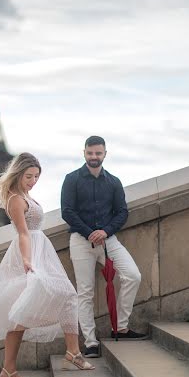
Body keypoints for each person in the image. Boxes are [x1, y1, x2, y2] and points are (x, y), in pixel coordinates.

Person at [0, 152, 95, 377]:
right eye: (29, 176)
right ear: (18, 174)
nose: (33, 181)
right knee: (23, 312)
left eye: (36, 176)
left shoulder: (25, 195)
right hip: (30, 255)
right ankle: (11, 369)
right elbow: (23, 233)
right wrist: (27, 260)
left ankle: (66, 353)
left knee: (56, 299)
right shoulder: (15, 199)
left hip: (41, 253)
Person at [61, 136, 147, 359]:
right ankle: (90, 343)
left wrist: (105, 232)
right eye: (90, 153)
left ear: (105, 154)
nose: (94, 157)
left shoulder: (114, 182)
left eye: (98, 153)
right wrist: (90, 232)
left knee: (133, 275)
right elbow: (67, 212)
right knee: (85, 292)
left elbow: (122, 212)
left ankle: (120, 327)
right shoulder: (71, 180)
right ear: (84, 153)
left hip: (109, 241)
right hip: (81, 242)